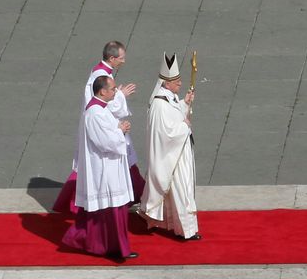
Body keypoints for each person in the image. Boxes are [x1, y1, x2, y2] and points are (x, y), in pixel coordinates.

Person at [54, 41, 144, 213]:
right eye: (121, 58)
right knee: (100, 164)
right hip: (104, 126)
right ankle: (72, 204)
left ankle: (135, 195)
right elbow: (104, 103)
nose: (124, 61)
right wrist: (122, 96)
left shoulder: (101, 72)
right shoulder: (100, 75)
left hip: (106, 124)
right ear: (111, 58)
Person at [62, 76, 138, 260]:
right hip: (105, 170)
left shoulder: (101, 110)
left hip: (111, 167)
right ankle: (115, 249)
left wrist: (119, 127)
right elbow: (106, 142)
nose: (115, 92)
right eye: (112, 89)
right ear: (102, 91)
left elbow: (109, 130)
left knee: (115, 211)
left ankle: (114, 247)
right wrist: (121, 131)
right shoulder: (94, 113)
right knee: (112, 212)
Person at [139, 53, 200, 240]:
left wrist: (185, 103)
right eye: (177, 81)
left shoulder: (170, 98)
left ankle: (174, 225)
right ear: (166, 83)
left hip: (179, 152)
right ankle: (185, 231)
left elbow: (173, 117)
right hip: (172, 157)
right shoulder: (159, 103)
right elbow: (166, 133)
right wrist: (185, 126)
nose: (180, 84)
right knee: (181, 191)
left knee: (181, 191)